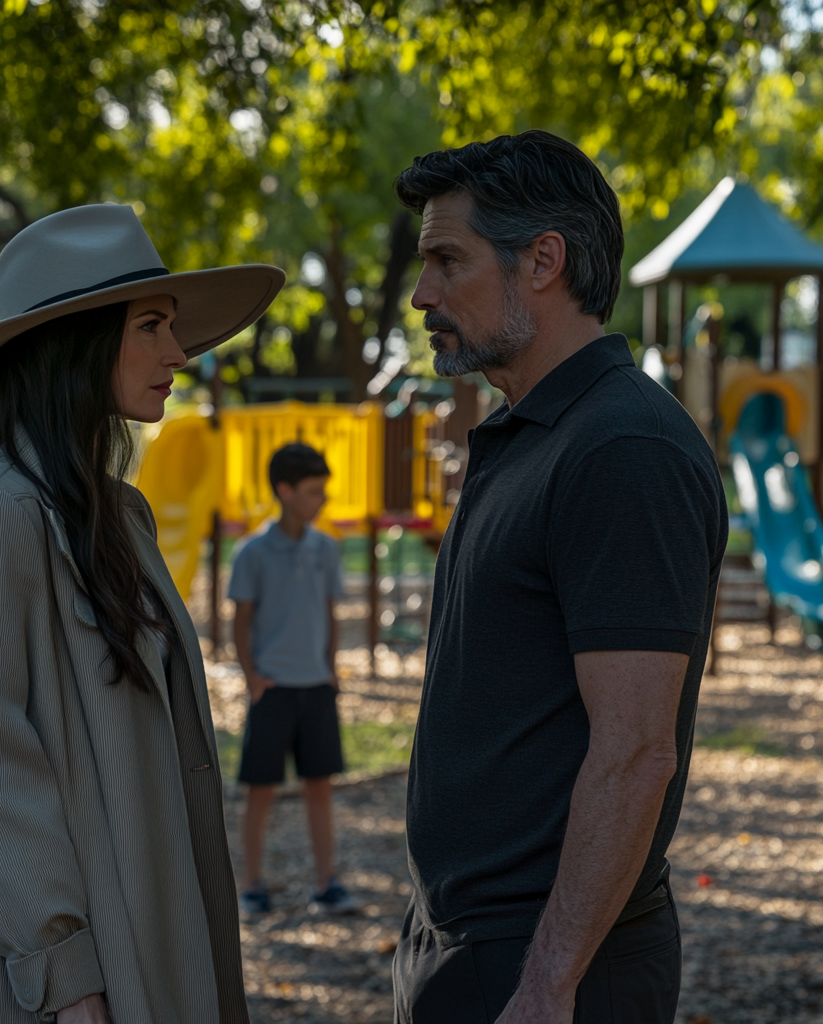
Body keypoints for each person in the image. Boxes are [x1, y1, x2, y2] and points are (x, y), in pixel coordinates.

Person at [0, 203, 284, 1024]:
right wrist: (67, 977)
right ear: (76, 342)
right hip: (53, 976)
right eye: (151, 326)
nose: (178, 353)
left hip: (151, 924)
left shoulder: (119, 514)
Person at [390, 131, 727, 1023]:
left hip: (555, 972)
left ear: (544, 260)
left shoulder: (623, 448)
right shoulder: (533, 432)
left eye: (445, 260)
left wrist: (546, 984)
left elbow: (635, 750)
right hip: (475, 948)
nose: (422, 294)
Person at [228, 443, 358, 916]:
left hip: (317, 688)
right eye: (313, 491)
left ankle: (327, 884)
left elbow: (330, 612)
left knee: (319, 788)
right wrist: (252, 676)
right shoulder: (252, 552)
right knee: (259, 792)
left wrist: (330, 668)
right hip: (273, 689)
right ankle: (253, 886)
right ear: (284, 491)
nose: (321, 499)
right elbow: (241, 620)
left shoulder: (326, 548)